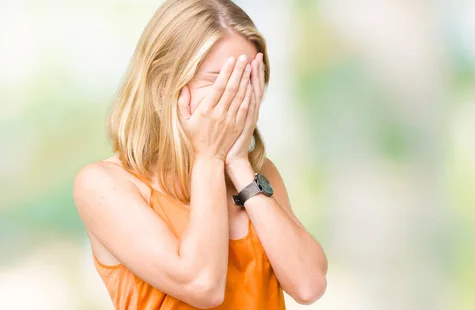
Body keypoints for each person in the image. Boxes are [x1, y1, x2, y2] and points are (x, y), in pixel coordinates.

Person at [72, 0, 328, 309]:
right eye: (219, 80)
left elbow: (308, 285)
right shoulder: (103, 184)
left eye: (247, 79)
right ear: (163, 84)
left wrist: (236, 164)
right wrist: (208, 157)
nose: (237, 96)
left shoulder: (258, 175)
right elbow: (203, 285)